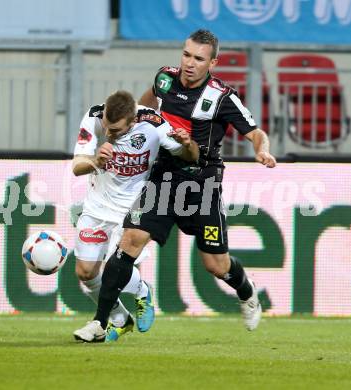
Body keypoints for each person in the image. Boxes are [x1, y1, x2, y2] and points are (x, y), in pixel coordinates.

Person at [88, 29, 277, 342]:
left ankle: (247, 291)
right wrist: (131, 127)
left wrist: (262, 149)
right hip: (164, 176)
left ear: (212, 62)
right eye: (187, 55)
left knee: (216, 265)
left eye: (199, 58)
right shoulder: (165, 78)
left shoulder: (222, 97)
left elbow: (255, 132)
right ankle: (99, 322)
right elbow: (143, 106)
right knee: (131, 240)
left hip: (202, 185)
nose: (189, 63)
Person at [71, 90, 199, 342]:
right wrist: (96, 161)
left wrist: (186, 144)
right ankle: (121, 318)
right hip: (97, 205)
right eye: (107, 127)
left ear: (133, 121)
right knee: (86, 273)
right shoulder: (94, 116)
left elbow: (190, 157)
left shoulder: (154, 124)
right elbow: (77, 166)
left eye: (116, 130)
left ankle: (134, 297)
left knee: (114, 267)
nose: (109, 134)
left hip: (134, 207)